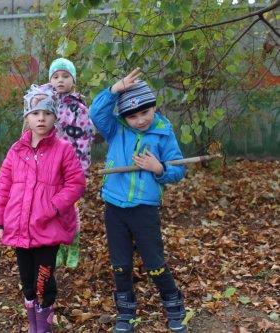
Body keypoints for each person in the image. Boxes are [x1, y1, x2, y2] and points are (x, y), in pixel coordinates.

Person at [89, 68, 188, 333]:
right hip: (115, 206)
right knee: (120, 263)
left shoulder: (164, 134)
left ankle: (174, 305)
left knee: (154, 261)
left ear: (154, 107)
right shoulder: (116, 130)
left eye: (145, 112)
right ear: (124, 117)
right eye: (132, 116)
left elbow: (179, 170)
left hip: (144, 208)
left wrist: (159, 169)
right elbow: (95, 113)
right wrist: (114, 89)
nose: (140, 120)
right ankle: (126, 312)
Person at [0, 84, 86, 333]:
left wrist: (53, 205)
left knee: (43, 282)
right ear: (27, 117)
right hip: (19, 229)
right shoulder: (15, 151)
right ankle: (33, 324)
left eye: (47, 113)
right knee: (28, 283)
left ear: (55, 116)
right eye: (35, 113)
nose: (41, 118)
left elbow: (76, 183)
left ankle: (44, 326)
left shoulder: (63, 149)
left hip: (47, 228)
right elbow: (3, 188)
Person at [48, 58, 95, 269]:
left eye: (65, 76)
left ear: (73, 80)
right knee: (52, 208)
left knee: (70, 209)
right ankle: (59, 245)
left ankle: (73, 244)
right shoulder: (45, 103)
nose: (60, 81)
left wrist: (81, 169)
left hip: (71, 167)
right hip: (50, 168)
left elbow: (84, 139)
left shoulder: (78, 108)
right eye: (55, 77)